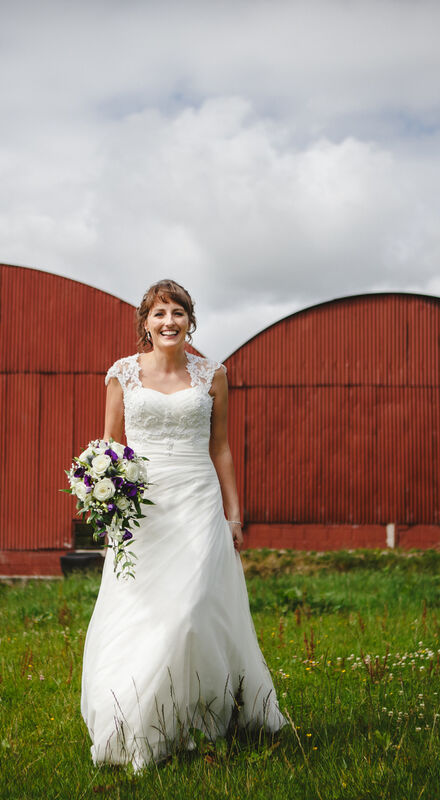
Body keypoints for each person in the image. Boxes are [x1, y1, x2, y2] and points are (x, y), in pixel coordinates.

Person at [79, 279, 285, 770]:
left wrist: (234, 515)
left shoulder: (213, 374)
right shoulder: (122, 374)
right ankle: (134, 717)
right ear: (145, 324)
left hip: (197, 499)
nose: (169, 321)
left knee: (192, 610)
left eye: (178, 312)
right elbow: (110, 444)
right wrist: (108, 503)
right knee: (146, 609)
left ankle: (199, 713)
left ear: (191, 320)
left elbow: (221, 448)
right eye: (159, 314)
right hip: (144, 509)